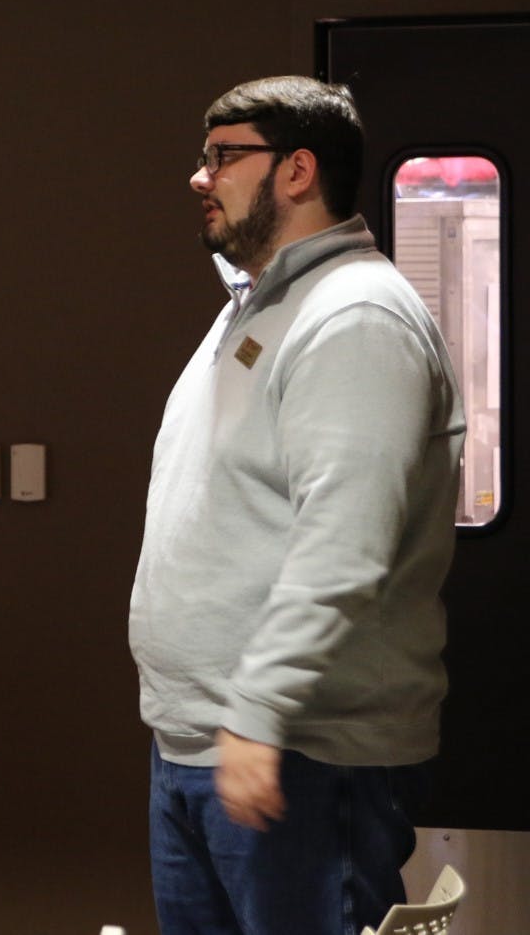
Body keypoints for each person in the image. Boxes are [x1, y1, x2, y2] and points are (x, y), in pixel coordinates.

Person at [128, 76, 466, 935]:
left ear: (297, 170)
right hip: (204, 748)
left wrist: (257, 709)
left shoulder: (355, 317)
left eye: (223, 157)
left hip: (296, 755)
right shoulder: (258, 307)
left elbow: (346, 544)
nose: (200, 178)